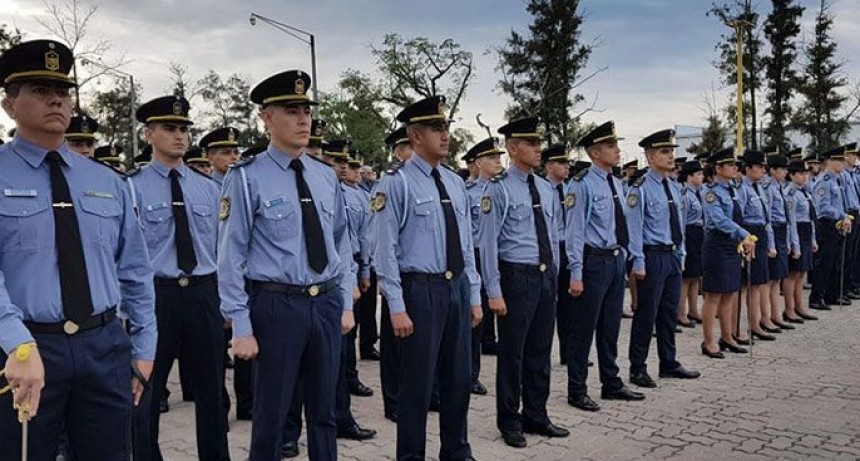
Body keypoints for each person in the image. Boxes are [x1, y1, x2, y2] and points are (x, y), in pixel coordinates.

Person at [0, 39, 155, 460]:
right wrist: (16, 344)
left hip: (102, 345)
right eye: (38, 89)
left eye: (63, 91)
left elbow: (135, 269)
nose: (56, 99)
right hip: (27, 347)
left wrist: (144, 348)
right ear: (9, 103)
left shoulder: (108, 182)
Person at [218, 69, 356, 461]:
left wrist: (344, 300)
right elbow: (230, 255)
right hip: (277, 306)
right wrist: (240, 325)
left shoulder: (325, 175)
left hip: (325, 302)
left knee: (324, 411)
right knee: (273, 413)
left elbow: (341, 242)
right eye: (291, 111)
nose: (303, 120)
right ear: (266, 118)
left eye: (307, 112)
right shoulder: (246, 178)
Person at [374, 95, 481, 460]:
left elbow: (466, 244)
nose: (445, 135)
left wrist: (475, 295)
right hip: (420, 290)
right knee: (417, 384)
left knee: (458, 378)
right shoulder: (396, 184)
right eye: (437, 129)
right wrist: (396, 305)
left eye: (446, 127)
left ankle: (456, 450)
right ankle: (411, 455)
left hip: (456, 286)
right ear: (415, 136)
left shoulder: (454, 183)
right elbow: (384, 250)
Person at [127, 95, 230, 461]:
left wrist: (228, 301)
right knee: (147, 389)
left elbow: (223, 251)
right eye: (170, 128)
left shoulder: (209, 188)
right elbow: (125, 255)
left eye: (184, 128)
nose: (179, 135)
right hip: (157, 296)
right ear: (148, 134)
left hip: (203, 293)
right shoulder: (132, 187)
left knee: (212, 389)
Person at [479, 120, 569, 448]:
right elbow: (488, 243)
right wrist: (494, 291)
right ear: (513, 148)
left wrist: (555, 274)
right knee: (512, 354)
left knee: (540, 351)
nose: (538, 148)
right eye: (530, 143)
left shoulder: (545, 188)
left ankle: (536, 414)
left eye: (539, 142)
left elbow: (555, 234)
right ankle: (509, 420)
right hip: (516, 277)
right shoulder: (498, 188)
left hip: (544, 276)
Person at [565, 121, 645, 413]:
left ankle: (611, 382)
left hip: (615, 259)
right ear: (595, 152)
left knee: (610, 326)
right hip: (593, 261)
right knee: (583, 329)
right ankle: (577, 389)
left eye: (616, 145)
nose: (617, 150)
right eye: (611, 146)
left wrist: (630, 256)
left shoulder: (617, 183)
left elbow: (626, 225)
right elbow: (573, 232)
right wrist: (576, 272)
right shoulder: (582, 184)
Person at [626, 129, 700, 388]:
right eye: (664, 152)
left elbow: (678, 222)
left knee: (669, 311)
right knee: (647, 313)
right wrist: (637, 261)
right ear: (649, 156)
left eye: (671, 151)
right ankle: (638, 367)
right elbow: (634, 228)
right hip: (651, 254)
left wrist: (681, 253)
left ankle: (668, 362)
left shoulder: (673, 186)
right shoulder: (640, 188)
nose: (671, 156)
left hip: (671, 254)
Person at [699, 148, 756, 358]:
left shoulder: (733, 190)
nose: (735, 168)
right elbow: (718, 219)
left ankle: (727, 336)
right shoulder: (711, 192)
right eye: (730, 165)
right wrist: (742, 233)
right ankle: (708, 341)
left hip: (732, 244)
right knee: (714, 295)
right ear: (718, 169)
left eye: (735, 165)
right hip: (717, 245)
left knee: (730, 293)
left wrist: (745, 236)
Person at [463, 137, 503, 396]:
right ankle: (470, 375)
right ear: (478, 163)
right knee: (476, 319)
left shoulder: (503, 189)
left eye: (499, 158)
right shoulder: (468, 193)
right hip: (476, 255)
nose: (498, 162)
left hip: (500, 256)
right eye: (492, 158)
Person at [542, 144, 576, 366]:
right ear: (549, 166)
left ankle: (568, 352)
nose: (566, 167)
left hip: (568, 248)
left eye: (567, 163)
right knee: (548, 305)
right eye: (561, 163)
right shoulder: (541, 189)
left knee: (570, 306)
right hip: (549, 250)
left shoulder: (571, 189)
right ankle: (543, 352)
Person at [809, 146, 853, 310]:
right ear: (830, 162)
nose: (842, 163)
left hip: (837, 224)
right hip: (827, 224)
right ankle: (817, 296)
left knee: (835, 261)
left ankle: (831, 294)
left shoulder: (836, 180)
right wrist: (842, 216)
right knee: (825, 261)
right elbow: (823, 207)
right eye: (839, 160)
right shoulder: (824, 181)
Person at [762, 154, 798, 330]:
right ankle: (766, 316)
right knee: (769, 279)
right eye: (782, 169)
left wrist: (790, 241)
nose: (785, 172)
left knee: (778, 277)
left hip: (782, 231)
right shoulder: (767, 187)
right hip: (773, 231)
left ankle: (777, 314)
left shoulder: (781, 187)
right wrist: (771, 243)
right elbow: (768, 217)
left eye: (786, 169)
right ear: (772, 170)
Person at [783, 160, 819, 322]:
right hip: (796, 233)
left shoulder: (805, 192)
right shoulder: (790, 194)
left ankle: (800, 306)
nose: (805, 176)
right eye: (801, 173)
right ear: (791, 175)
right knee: (793, 274)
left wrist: (812, 239)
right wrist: (794, 245)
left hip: (805, 232)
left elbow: (810, 219)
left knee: (802, 273)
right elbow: (791, 222)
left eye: (806, 173)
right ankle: (789, 309)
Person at [678, 160, 705, 327]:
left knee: (696, 275)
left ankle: (693, 310)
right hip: (688, 233)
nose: (702, 177)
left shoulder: (699, 193)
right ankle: (680, 313)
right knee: (686, 277)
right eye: (699, 174)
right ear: (689, 176)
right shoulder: (684, 195)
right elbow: (682, 221)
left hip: (699, 233)